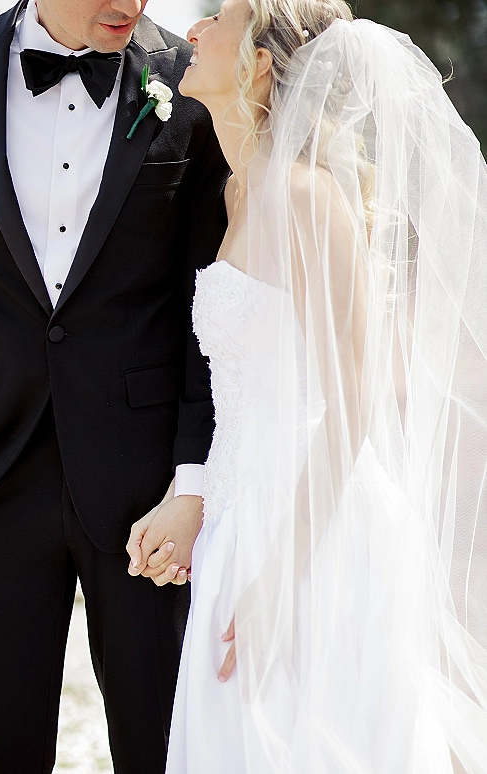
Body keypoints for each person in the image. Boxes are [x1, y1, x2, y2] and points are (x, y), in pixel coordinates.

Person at [161, 0, 487, 771]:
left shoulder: (309, 199)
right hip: (237, 521)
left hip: (316, 527)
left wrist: (283, 576)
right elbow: (244, 391)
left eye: (220, 19)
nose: (193, 31)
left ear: (260, 62)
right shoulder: (238, 194)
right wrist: (192, 497)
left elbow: (356, 400)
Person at [0, 1, 229, 772]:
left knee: (162, 750)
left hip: (149, 494)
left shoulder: (192, 80)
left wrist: (193, 474)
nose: (131, 5)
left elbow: (208, 302)